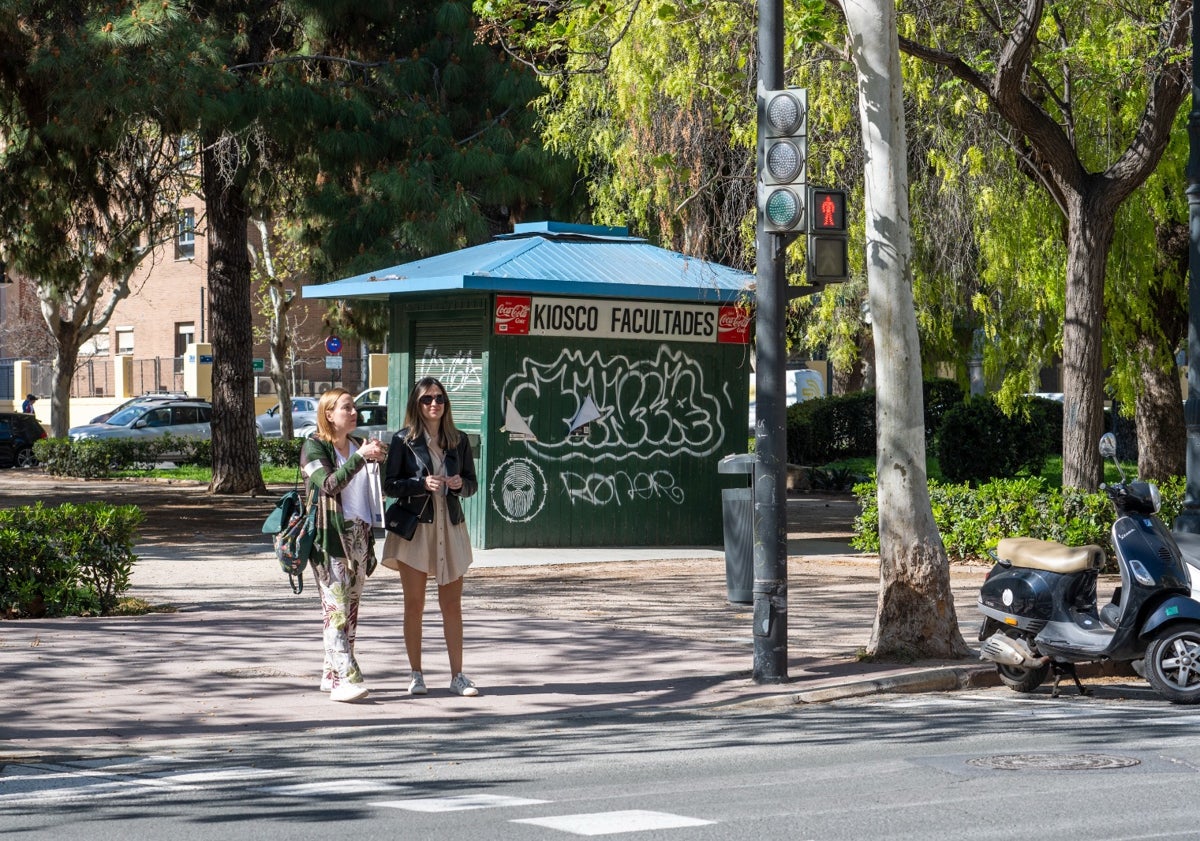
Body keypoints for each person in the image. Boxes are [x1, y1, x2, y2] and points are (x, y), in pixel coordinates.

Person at [381, 376, 480, 697]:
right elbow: (390, 485)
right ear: (417, 404)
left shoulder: (458, 440)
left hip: (450, 528)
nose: (434, 403)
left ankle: (458, 676)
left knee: (452, 605)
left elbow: (471, 483)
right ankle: (416, 674)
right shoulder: (403, 440)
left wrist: (458, 485)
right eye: (427, 399)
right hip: (415, 530)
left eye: (439, 398)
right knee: (415, 605)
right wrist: (420, 484)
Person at [301, 388, 388, 703]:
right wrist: (359, 459)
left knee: (350, 610)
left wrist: (380, 458)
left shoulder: (358, 445)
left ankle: (329, 673)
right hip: (331, 539)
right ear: (329, 413)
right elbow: (328, 484)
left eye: (354, 408)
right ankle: (346, 680)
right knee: (336, 611)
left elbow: (376, 487)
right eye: (347, 408)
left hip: (360, 537)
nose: (354, 413)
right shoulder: (313, 447)